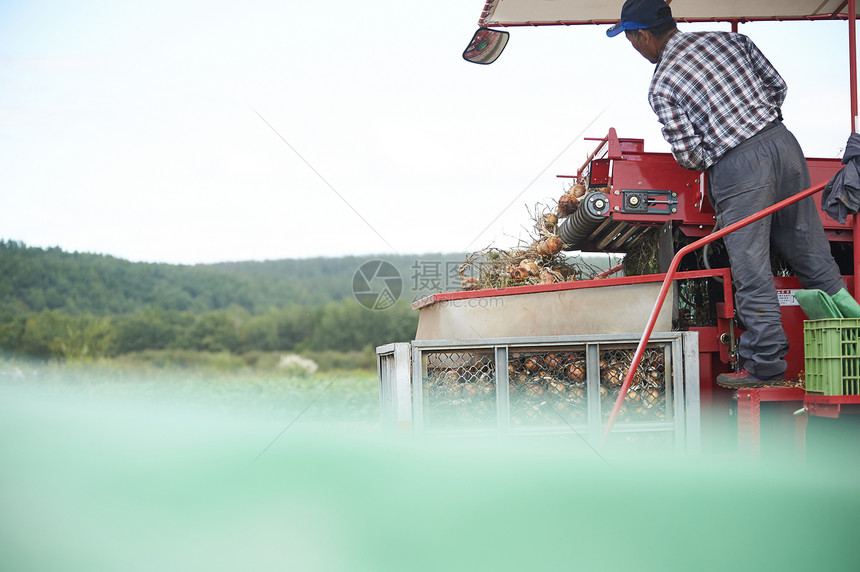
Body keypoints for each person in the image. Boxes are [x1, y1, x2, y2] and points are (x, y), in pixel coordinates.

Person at [607, 0, 848, 388]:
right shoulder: (730, 41)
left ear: (643, 35)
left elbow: (688, 155)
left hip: (739, 167)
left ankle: (766, 366)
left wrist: (724, 151)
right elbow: (777, 86)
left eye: (631, 40)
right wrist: (757, 123)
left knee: (752, 269)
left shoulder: (663, 83)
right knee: (811, 252)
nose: (635, 49)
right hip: (784, 146)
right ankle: (853, 341)